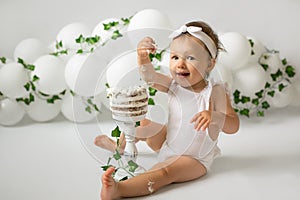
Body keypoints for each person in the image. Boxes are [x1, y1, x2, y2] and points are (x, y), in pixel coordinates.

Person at [99, 20, 240, 200]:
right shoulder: (173, 84)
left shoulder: (214, 91)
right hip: (169, 144)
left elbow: (233, 125)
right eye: (175, 57)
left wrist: (215, 116)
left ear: (210, 64)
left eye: (190, 58)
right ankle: (119, 146)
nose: (180, 64)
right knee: (142, 123)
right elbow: (149, 77)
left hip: (194, 159)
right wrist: (143, 57)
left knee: (165, 172)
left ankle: (121, 189)